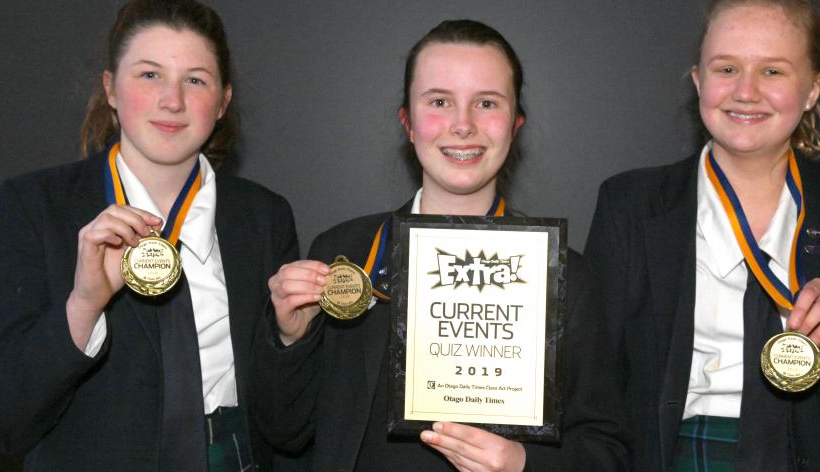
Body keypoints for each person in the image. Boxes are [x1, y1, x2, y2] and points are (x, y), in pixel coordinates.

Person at [250, 19, 626, 471]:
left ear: (515, 124)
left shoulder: (564, 275)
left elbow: (607, 452)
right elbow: (285, 433)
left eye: (486, 102)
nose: (462, 125)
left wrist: (522, 464)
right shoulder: (342, 254)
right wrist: (292, 339)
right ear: (407, 122)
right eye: (440, 102)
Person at [585, 0, 820, 470]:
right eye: (726, 67)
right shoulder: (629, 205)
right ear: (698, 81)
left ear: (814, 89)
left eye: (773, 71)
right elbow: (591, 389)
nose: (745, 91)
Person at [0, 1, 297, 470]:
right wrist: (83, 306)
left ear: (222, 102)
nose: (172, 100)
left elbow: (289, 422)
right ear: (111, 89)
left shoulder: (264, 217)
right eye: (149, 75)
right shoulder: (38, 206)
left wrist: (291, 342)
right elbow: (0, 423)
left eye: (195, 80)